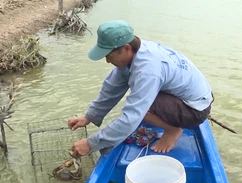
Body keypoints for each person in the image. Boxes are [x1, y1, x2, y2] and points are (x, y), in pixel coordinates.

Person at [68, 20, 214, 157]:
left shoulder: (147, 69)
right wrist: (89, 117)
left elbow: (132, 116)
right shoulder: (136, 51)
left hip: (195, 110)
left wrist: (90, 144)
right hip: (185, 97)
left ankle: (173, 130)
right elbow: (111, 89)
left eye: (109, 56)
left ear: (126, 48)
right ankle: (170, 124)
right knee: (139, 98)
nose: (107, 61)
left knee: (141, 108)